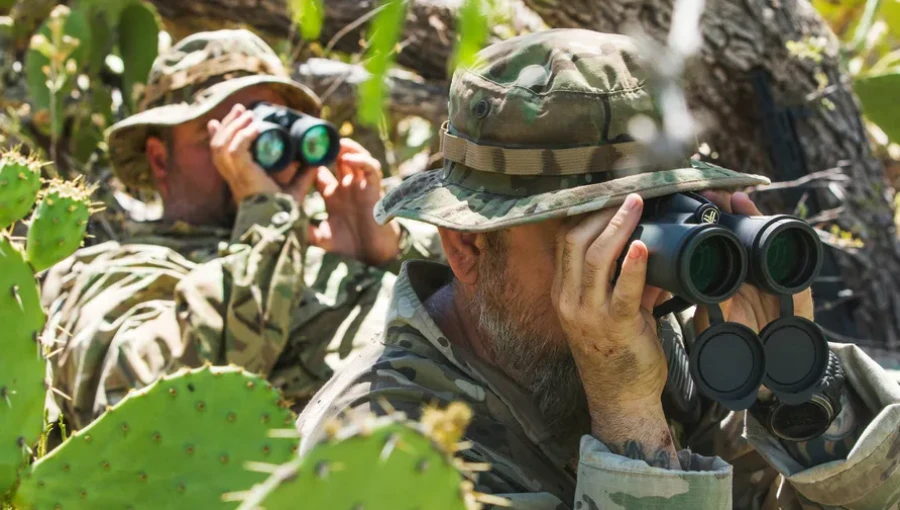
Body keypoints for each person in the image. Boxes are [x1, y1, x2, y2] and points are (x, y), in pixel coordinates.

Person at [296, 29, 900, 509]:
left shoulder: (668, 344)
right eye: (593, 240)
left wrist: (791, 385)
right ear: (468, 249)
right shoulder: (378, 445)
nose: (642, 286)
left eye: (655, 224)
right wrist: (630, 419)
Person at [42, 29, 443, 430]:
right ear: (160, 159)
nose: (252, 152)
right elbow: (157, 399)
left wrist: (388, 253)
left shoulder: (325, 236)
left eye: (272, 126)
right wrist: (268, 225)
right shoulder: (115, 270)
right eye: (225, 133)